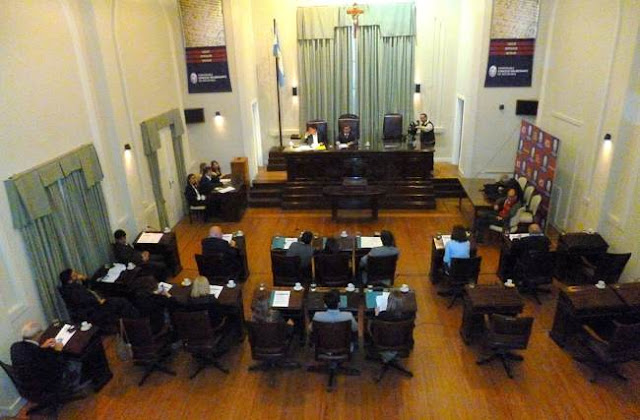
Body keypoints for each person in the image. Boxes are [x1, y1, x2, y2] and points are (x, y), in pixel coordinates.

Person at [10, 321, 86, 392]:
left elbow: (32, 354)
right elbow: (57, 367)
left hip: (27, 385)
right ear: (38, 334)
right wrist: (58, 350)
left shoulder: (15, 346)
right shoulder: (38, 355)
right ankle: (77, 384)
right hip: (46, 385)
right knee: (76, 361)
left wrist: (41, 347)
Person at [59, 269, 139, 328]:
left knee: (119, 300)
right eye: (75, 275)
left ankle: (132, 319)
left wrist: (85, 280)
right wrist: (100, 301)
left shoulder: (73, 286)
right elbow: (85, 300)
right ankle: (136, 320)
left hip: (96, 305)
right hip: (93, 311)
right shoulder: (71, 291)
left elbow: (88, 289)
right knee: (121, 302)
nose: (77, 275)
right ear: (70, 279)